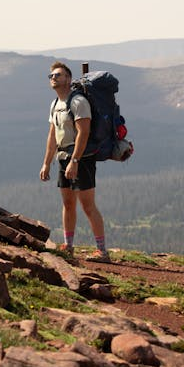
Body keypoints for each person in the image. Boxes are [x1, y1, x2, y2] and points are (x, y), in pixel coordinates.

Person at [39, 61, 109, 261]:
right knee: (68, 203)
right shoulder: (55, 104)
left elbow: (83, 132)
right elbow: (52, 136)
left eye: (58, 75)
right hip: (63, 158)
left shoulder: (78, 102)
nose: (53, 78)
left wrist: (75, 160)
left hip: (82, 159)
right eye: (51, 75)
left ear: (68, 79)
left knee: (87, 205)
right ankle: (68, 246)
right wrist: (46, 162)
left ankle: (102, 251)